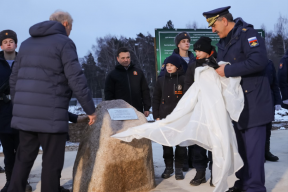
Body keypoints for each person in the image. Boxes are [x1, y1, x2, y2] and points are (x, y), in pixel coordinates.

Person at [8, 11, 96, 192]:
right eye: (71, 27)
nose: (70, 31)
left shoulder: (25, 44)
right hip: (51, 115)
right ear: (65, 24)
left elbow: (13, 79)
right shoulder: (64, 43)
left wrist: (19, 106)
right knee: (51, 161)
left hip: (25, 116)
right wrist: (90, 109)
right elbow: (76, 78)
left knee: (23, 158)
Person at [203, 6, 273, 192]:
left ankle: (255, 188)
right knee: (241, 149)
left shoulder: (247, 34)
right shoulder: (224, 42)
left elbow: (258, 61)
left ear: (224, 21)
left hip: (254, 104)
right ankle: (243, 183)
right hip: (237, 105)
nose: (213, 30)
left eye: (213, 25)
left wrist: (226, 70)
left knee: (253, 152)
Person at [0, 30, 32, 192]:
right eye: (5, 42)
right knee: (8, 153)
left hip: (23, 114)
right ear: (1, 45)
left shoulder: (24, 61)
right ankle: (10, 182)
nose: (8, 43)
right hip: (4, 116)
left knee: (22, 153)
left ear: (16, 44)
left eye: (11, 41)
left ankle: (23, 182)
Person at [159, 31, 196, 171]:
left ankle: (192, 160)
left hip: (193, 97)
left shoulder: (194, 58)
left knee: (192, 129)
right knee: (179, 131)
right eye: (183, 41)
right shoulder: (171, 59)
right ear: (178, 44)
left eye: (188, 41)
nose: (187, 43)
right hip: (177, 100)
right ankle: (183, 162)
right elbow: (163, 78)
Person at [184, 36, 217, 187]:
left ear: (208, 51)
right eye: (195, 50)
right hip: (198, 109)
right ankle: (200, 172)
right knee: (199, 142)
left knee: (215, 142)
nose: (196, 53)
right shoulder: (192, 66)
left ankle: (215, 172)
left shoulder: (218, 63)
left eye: (199, 50)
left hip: (215, 110)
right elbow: (188, 87)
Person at [152, 54, 186, 180]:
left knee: (180, 145)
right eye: (167, 65)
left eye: (172, 65)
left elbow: (188, 98)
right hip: (164, 117)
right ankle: (168, 167)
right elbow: (155, 98)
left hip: (180, 118)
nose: (169, 67)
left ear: (177, 66)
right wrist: (156, 115)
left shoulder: (183, 79)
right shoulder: (161, 80)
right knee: (166, 146)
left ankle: (178, 169)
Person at [104, 47, 151, 116]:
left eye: (128, 57)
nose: (126, 60)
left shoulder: (138, 72)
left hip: (137, 110)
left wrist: (146, 107)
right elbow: (108, 94)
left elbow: (145, 91)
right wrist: (111, 109)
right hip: (120, 112)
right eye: (123, 58)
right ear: (118, 59)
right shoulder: (112, 75)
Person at [265, 60, 281, 162]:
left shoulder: (269, 63)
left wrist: (277, 101)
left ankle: (266, 152)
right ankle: (256, 154)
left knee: (267, 128)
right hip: (253, 100)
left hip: (268, 99)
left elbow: (275, 83)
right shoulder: (249, 62)